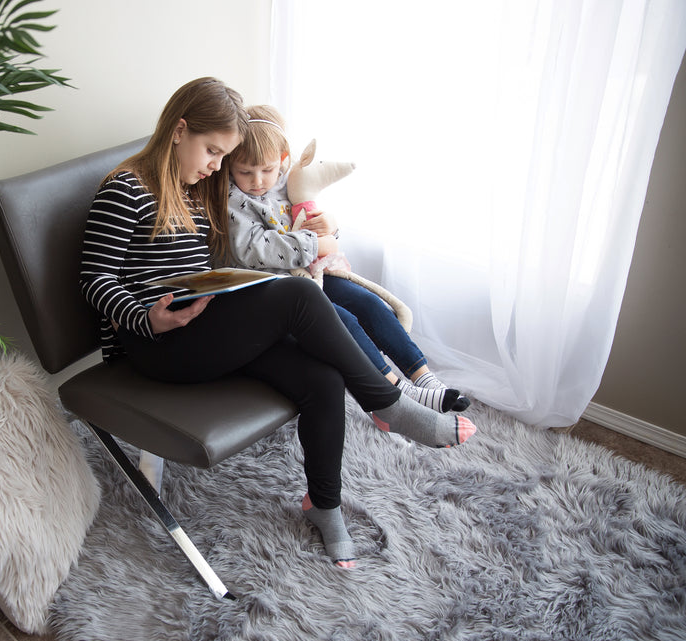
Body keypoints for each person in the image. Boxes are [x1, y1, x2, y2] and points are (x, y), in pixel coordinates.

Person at [79, 77, 476, 569]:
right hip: (155, 346)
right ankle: (390, 405)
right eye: (212, 151)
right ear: (179, 131)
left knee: (322, 378)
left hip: (201, 329)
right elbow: (93, 278)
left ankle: (323, 504)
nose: (216, 168)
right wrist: (146, 318)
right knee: (296, 293)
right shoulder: (126, 189)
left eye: (224, 157)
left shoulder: (196, 189)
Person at [227, 104, 470, 414]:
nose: (257, 180)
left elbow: (313, 225)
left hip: (310, 275)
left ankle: (424, 377)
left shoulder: (288, 183)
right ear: (230, 165)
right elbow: (255, 250)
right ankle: (394, 388)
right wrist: (317, 242)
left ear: (283, 161)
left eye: (267, 170)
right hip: (278, 292)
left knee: (368, 304)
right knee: (343, 318)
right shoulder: (233, 199)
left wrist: (329, 226)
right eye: (245, 171)